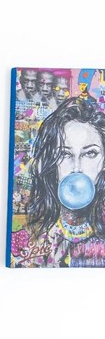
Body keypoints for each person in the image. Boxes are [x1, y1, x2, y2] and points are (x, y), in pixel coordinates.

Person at [20, 97, 105, 266]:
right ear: (51, 162)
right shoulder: (33, 235)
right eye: (65, 154)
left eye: (90, 153)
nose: (77, 168)